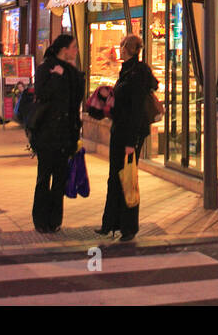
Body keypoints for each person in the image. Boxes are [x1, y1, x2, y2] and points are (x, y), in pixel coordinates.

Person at [98, 34, 158, 241]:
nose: (120, 49)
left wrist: (131, 143)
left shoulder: (137, 73)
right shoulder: (128, 70)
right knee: (116, 175)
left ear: (131, 49)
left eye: (123, 46)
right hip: (121, 130)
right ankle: (111, 223)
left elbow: (135, 110)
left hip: (129, 133)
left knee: (127, 177)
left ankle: (128, 226)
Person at [31, 34, 85, 233]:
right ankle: (40, 220)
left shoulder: (72, 71)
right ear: (64, 49)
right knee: (44, 177)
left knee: (60, 179)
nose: (76, 51)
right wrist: (56, 76)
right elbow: (42, 94)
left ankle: (54, 220)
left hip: (66, 135)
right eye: (73, 47)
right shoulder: (47, 68)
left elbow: (76, 102)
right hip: (47, 133)